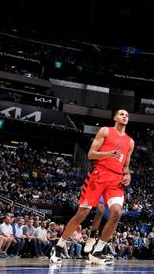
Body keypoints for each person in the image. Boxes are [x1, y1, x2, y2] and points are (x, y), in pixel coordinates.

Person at [50, 109, 134, 265]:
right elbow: (91, 154)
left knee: (116, 213)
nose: (125, 116)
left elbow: (126, 167)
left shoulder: (130, 142)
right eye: (122, 114)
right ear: (115, 117)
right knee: (83, 213)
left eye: (127, 115)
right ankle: (59, 247)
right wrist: (108, 154)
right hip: (99, 174)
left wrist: (127, 176)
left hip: (116, 180)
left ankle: (98, 251)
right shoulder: (105, 131)